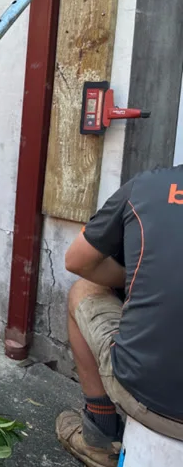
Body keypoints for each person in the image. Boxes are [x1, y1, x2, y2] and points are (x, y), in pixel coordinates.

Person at [57, 167, 183, 466]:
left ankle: (99, 438)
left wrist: (142, 278)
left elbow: (76, 261)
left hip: (146, 396)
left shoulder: (148, 187)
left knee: (82, 291)